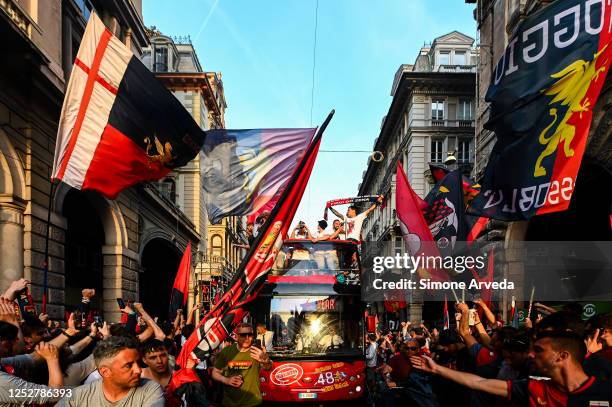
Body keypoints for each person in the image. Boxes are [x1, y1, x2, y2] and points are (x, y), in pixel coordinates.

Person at [411, 330, 612, 406]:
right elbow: (479, 382)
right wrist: (437, 369)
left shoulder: (605, 392)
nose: (531, 355)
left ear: (563, 356)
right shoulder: (533, 389)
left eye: (539, 350)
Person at [57, 336, 164, 406]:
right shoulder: (80, 395)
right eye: (128, 365)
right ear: (105, 372)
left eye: (138, 363)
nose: (138, 370)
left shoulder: (150, 390)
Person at [212, 323, 272, 407]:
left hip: (252, 402)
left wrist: (265, 360)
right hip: (230, 403)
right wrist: (227, 380)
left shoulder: (257, 351)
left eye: (250, 335)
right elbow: (215, 372)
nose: (247, 338)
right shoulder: (227, 351)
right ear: (236, 337)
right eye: (243, 335)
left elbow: (268, 367)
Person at [382, 338, 438, 407]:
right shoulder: (396, 358)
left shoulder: (424, 360)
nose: (409, 350)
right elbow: (385, 371)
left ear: (418, 349)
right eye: (407, 348)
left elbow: (422, 380)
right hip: (400, 394)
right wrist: (388, 380)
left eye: (413, 348)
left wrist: (397, 384)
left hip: (418, 396)